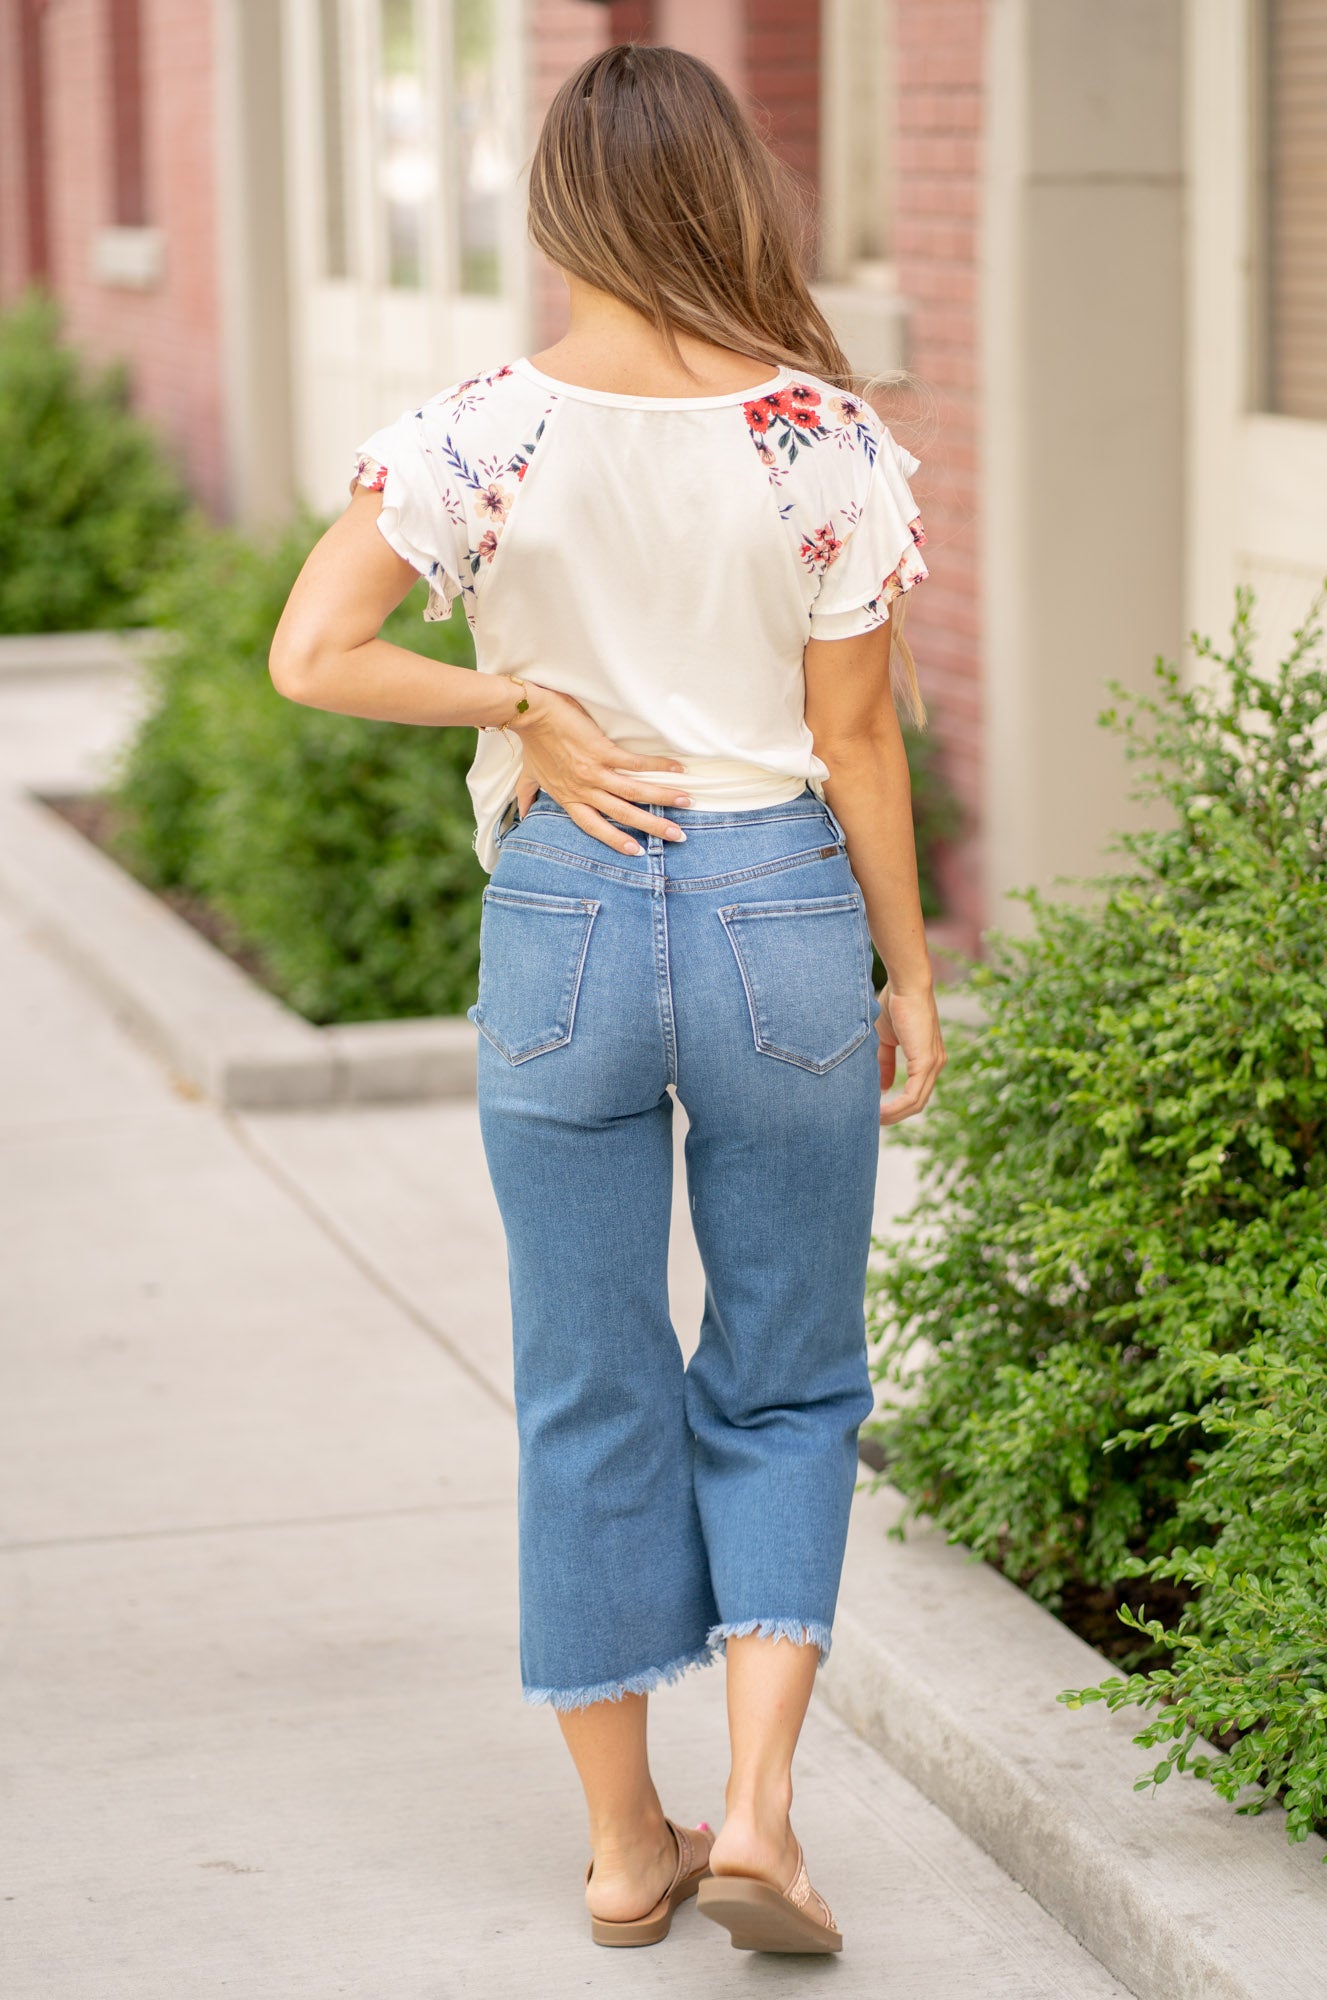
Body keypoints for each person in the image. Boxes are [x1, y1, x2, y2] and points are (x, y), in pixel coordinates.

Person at [269, 40, 945, 1960]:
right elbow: (857, 743)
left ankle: (623, 1851)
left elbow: (312, 653)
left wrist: (517, 705)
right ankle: (760, 1814)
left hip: (565, 911)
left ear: (558, 210)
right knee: (787, 1372)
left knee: (585, 1381)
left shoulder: (475, 435)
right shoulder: (820, 438)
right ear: (725, 193)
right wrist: (908, 972)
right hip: (775, 913)